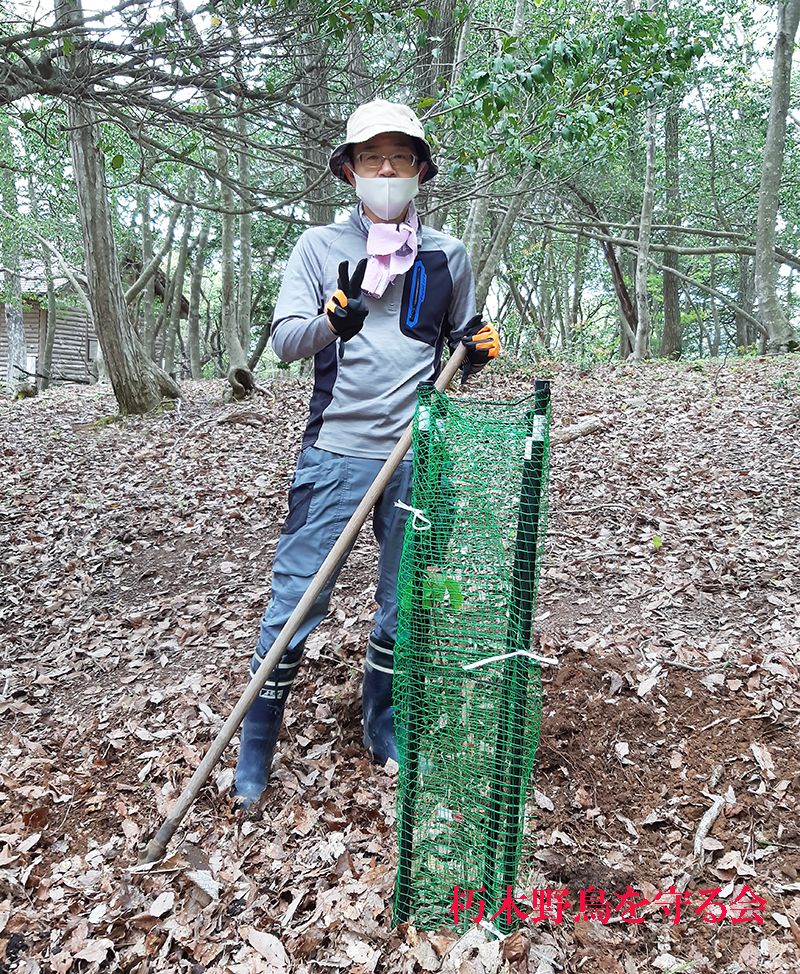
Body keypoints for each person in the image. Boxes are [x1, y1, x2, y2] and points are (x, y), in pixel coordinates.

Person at [233, 99, 500, 807]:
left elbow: (458, 348)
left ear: (420, 172)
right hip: (337, 453)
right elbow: (287, 340)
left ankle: (381, 722)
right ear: (349, 171)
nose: (387, 171)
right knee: (298, 597)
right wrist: (331, 321)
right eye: (373, 159)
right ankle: (257, 740)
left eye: (401, 159)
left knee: (402, 598)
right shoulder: (319, 250)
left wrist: (476, 353)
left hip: (417, 451)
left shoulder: (448, 255)